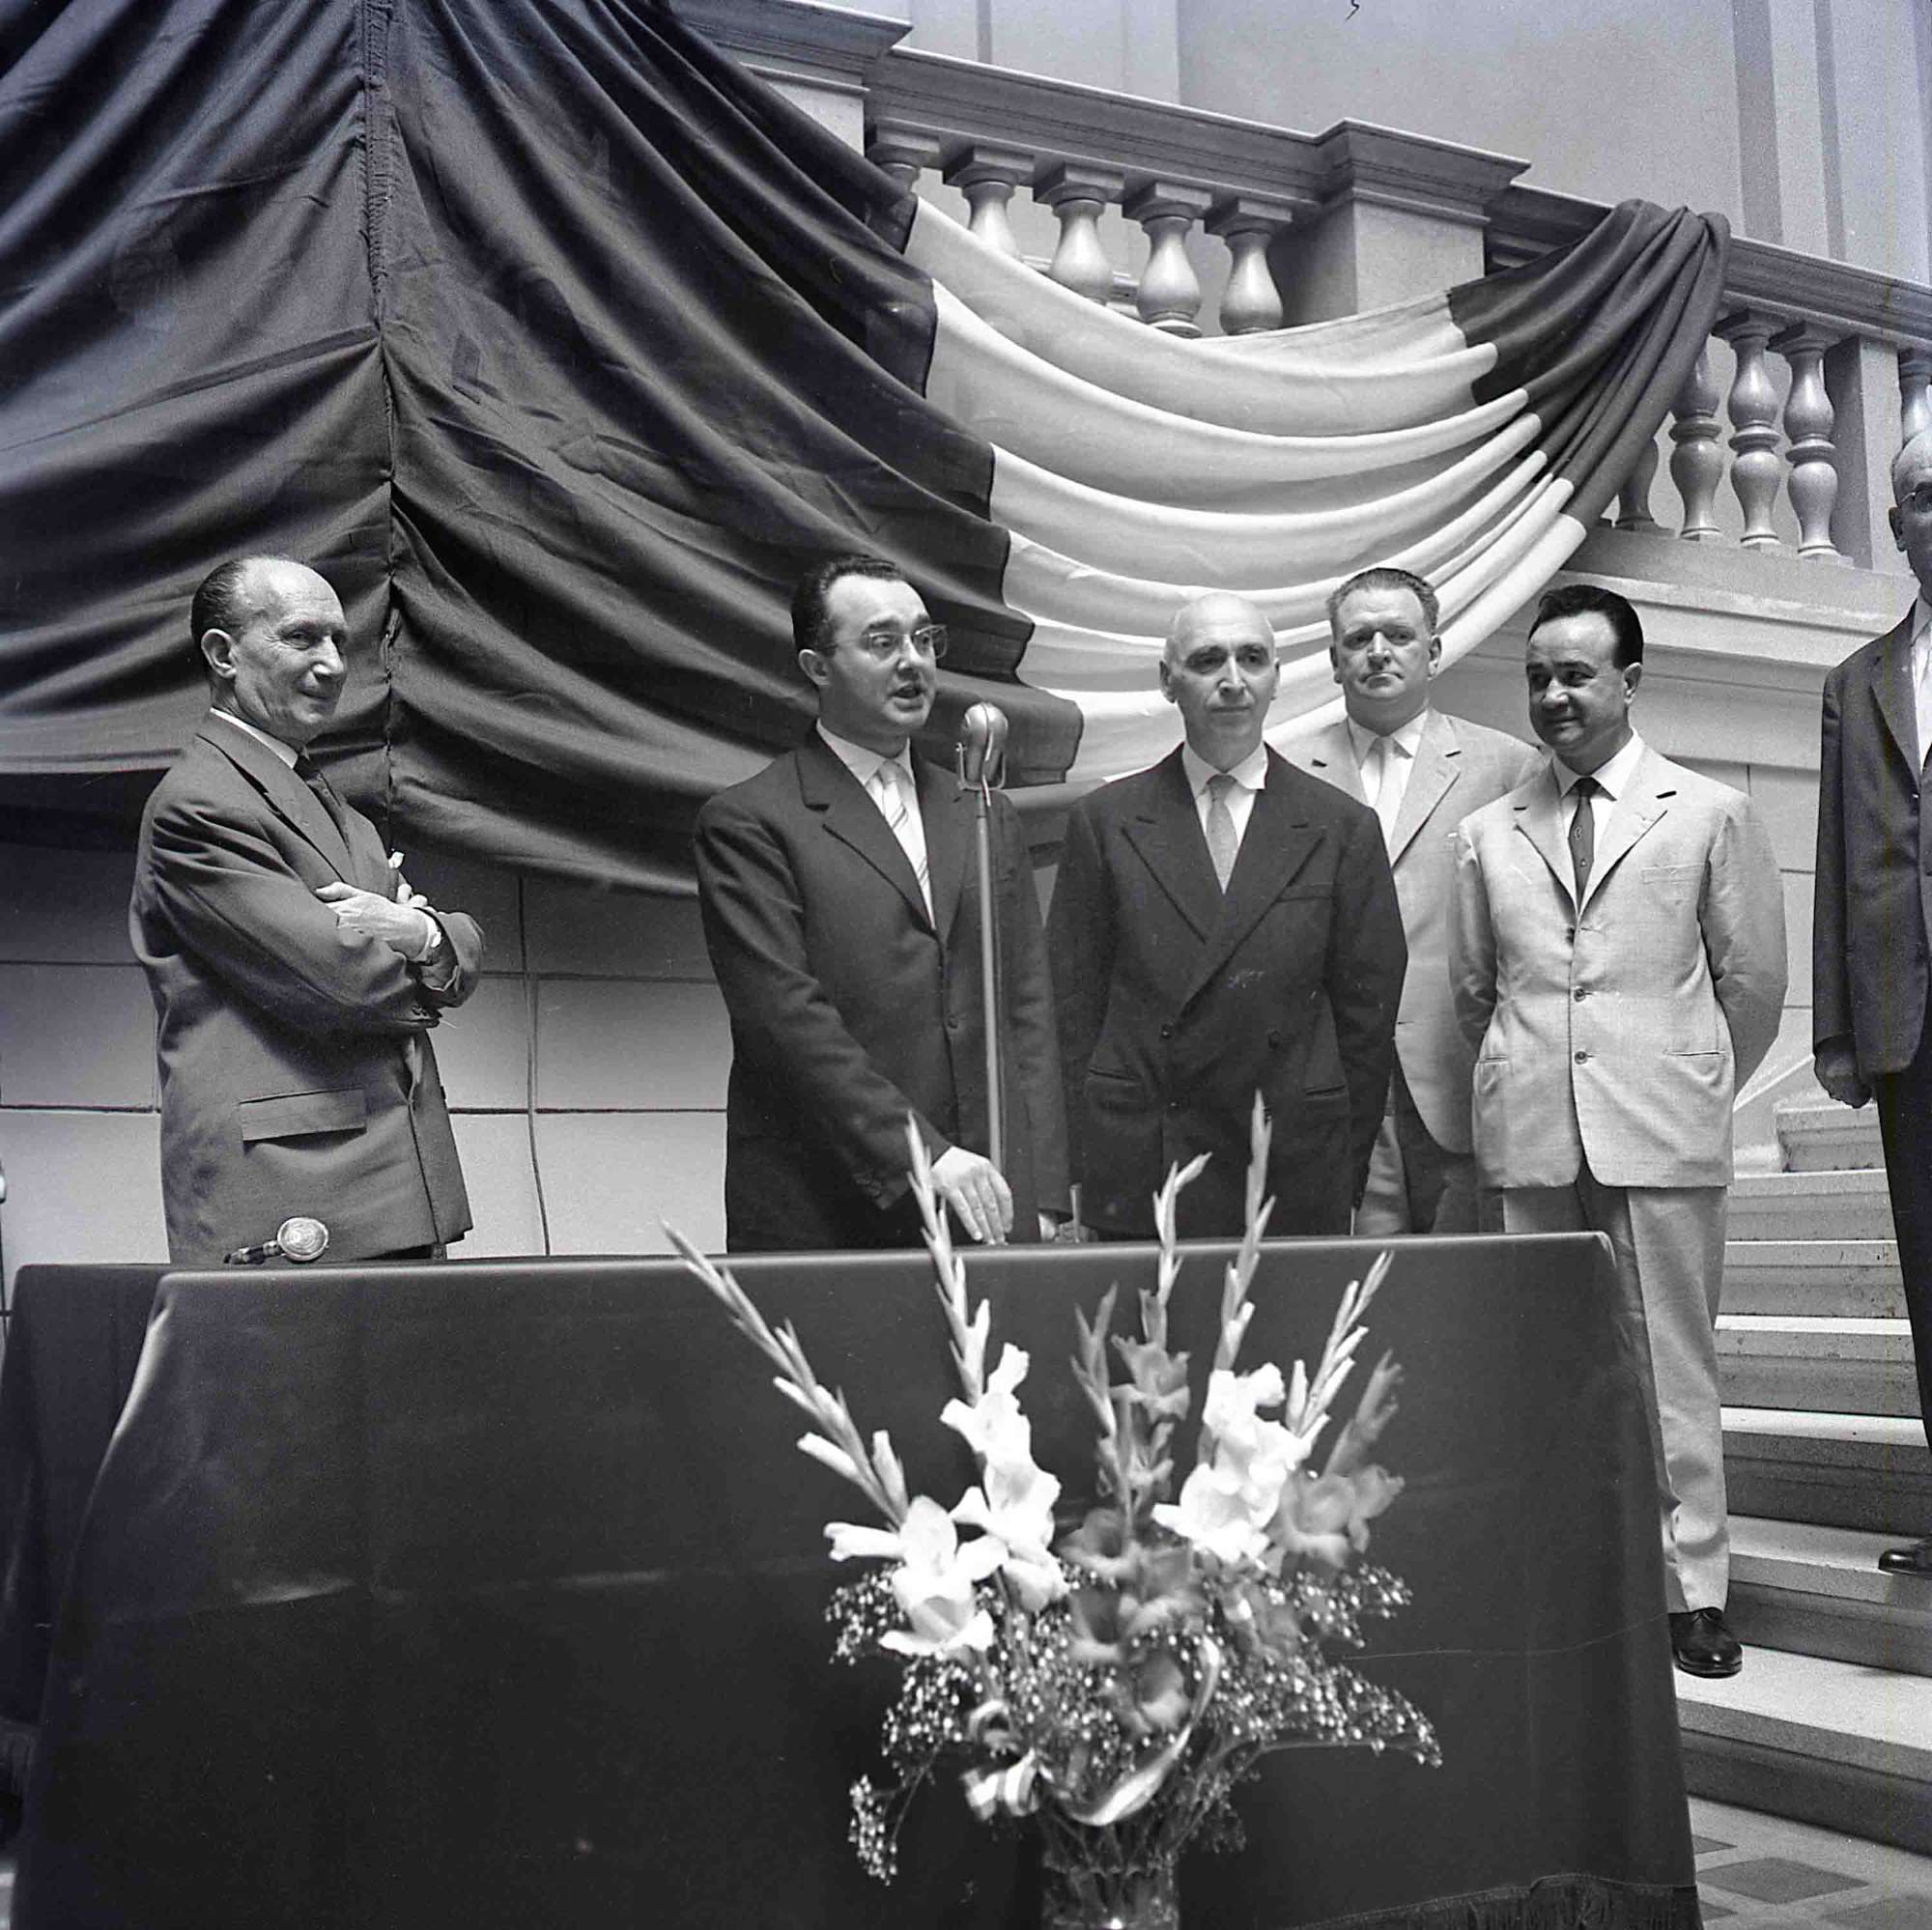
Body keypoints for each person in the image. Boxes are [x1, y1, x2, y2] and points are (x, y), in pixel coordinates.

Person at [1452, 582, 1786, 1677]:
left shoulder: (1707, 812)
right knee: (1542, 1366)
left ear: (1628, 683)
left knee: (1668, 1367)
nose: (1553, 694)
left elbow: (1750, 983)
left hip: (1660, 1127)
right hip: (1530, 1129)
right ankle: (1569, 1577)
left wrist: (1681, 1080)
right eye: (1537, 676)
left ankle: (1693, 1592)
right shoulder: (1487, 832)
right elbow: (1473, 989)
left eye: (1575, 674)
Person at [694, 554, 1067, 1252]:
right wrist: (923, 1153)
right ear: (817, 666)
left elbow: (1026, 1005)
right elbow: (786, 1020)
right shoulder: (751, 821)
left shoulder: (981, 810)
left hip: (984, 1203)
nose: (913, 662)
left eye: (924, 639)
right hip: (826, 1206)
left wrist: (1042, 1192)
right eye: (882, 642)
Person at [130, 557, 483, 1265]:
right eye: (301, 637)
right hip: (296, 1185)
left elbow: (448, 943)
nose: (332, 665)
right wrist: (427, 948)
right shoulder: (199, 804)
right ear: (223, 654)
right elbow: (344, 983)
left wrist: (419, 932)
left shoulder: (332, 805)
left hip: (381, 1182)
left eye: (339, 641)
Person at [1048, 591, 1405, 1240]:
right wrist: (1082, 1170)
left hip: (1292, 1163)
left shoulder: (1341, 827)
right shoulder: (1105, 822)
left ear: (1276, 678)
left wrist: (1341, 1171)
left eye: (1253, 659)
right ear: (1168, 681)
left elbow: (1366, 1024)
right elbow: (1073, 1012)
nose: (1233, 680)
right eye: (1208, 660)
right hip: (1146, 1158)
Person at [1285, 566, 1542, 1234]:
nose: (1378, 652)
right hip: (1333, 1087)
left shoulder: (1509, 769)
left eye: (1398, 635)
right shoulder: (1281, 773)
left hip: (1460, 1079)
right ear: (1333, 660)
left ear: (1433, 652)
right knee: (1356, 1286)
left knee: (1463, 1288)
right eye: (1358, 639)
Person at [1812, 428, 1932, 1578]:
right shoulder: (1853, 682)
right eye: (1920, 499)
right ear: (1895, 527)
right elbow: (1838, 853)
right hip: (1908, 1022)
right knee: (1929, 1277)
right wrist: (1836, 1029)